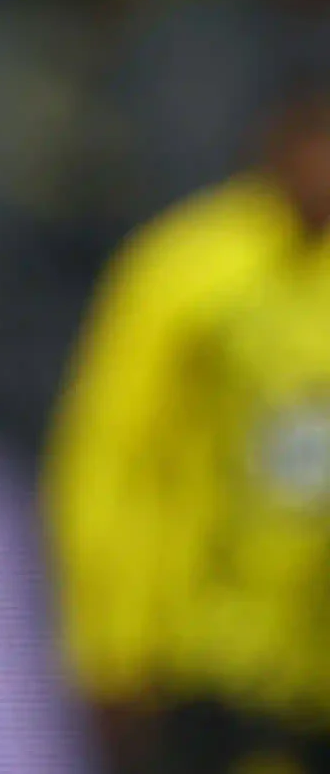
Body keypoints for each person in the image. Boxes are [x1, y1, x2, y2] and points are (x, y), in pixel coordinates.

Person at [45, 50, 330, 774]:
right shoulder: (186, 271)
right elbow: (114, 462)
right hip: (205, 660)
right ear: (278, 138)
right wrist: (111, 647)